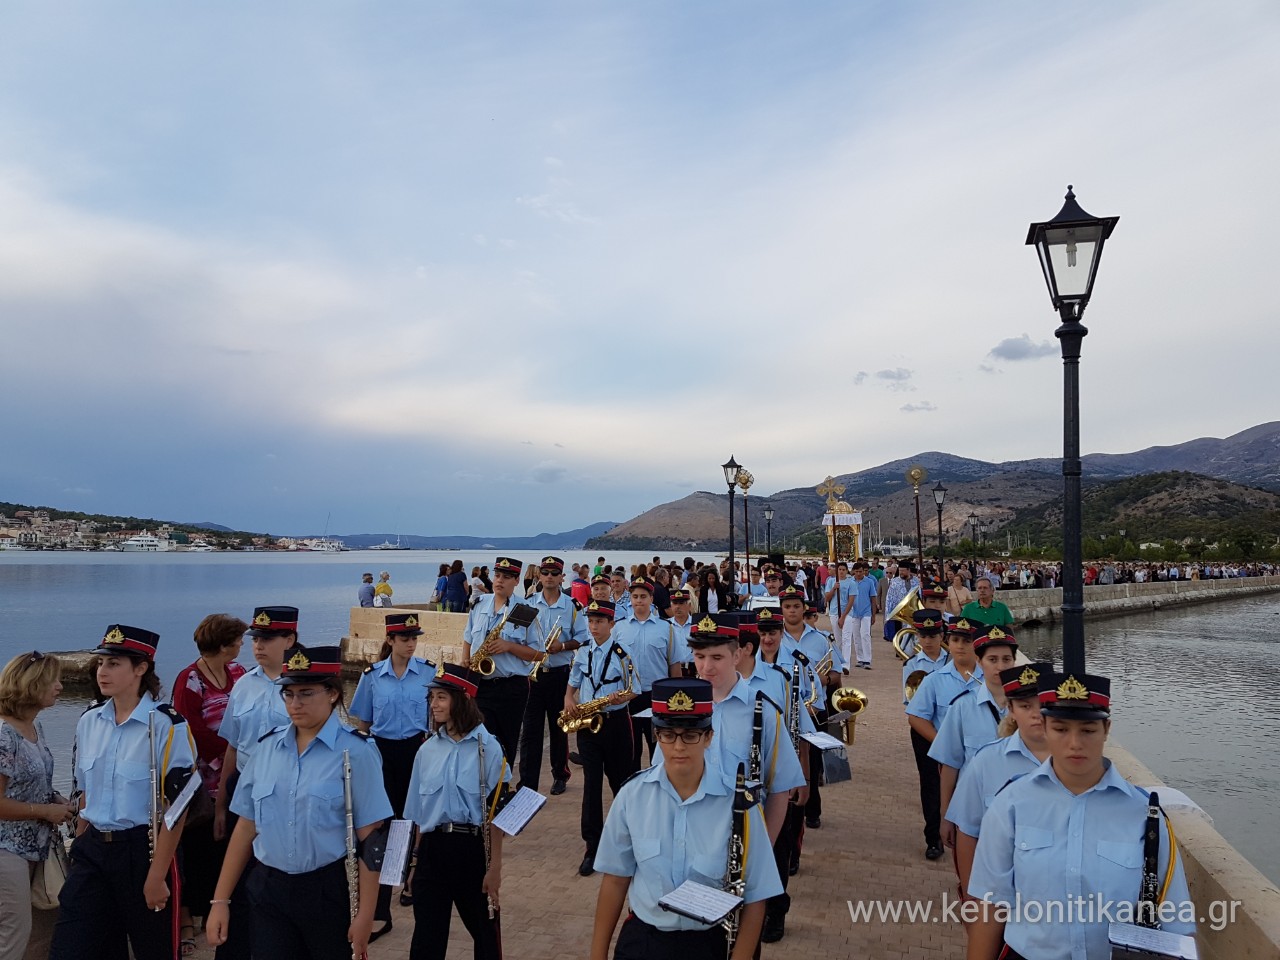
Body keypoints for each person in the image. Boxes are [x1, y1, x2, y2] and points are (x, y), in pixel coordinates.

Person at [967, 670, 1196, 960]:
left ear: (1106, 729)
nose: (1075, 743)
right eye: (1061, 729)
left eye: (1088, 730)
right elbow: (990, 906)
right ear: (1045, 726)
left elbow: (1176, 923)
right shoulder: (1011, 805)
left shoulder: (1145, 816)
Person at [206, 645, 392, 960]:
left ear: (332, 694)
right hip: (269, 889)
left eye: (306, 693)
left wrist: (365, 915)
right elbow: (246, 827)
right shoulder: (267, 748)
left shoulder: (357, 752)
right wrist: (220, 901)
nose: (295, 704)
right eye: (289, 694)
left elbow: (371, 841)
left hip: (326, 891)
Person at [590, 678, 783, 960]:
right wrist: (597, 955)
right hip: (645, 941)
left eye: (690, 735)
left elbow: (756, 898)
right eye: (668, 734)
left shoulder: (741, 804)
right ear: (657, 736)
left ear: (709, 737)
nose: (678, 746)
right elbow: (615, 880)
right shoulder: (632, 796)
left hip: (708, 943)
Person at [51, 625, 196, 960]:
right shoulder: (90, 721)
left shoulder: (167, 725)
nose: (102, 671)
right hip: (93, 850)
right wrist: (81, 842)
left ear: (140, 668)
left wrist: (157, 875)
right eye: (101, 663)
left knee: (154, 950)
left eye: (114, 664)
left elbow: (178, 806)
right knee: (70, 949)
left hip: (143, 851)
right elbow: (85, 791)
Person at [404, 662, 509, 960]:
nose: (433, 704)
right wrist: (414, 865)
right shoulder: (426, 750)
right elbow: (418, 815)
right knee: (426, 940)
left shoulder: (489, 748)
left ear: (462, 699)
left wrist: (495, 869)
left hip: (472, 849)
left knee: (486, 936)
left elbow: (496, 817)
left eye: (441, 697)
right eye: (432, 697)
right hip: (432, 851)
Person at [213, 605, 298, 960]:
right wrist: (221, 805)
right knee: (237, 880)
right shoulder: (244, 685)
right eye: (255, 639)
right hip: (243, 789)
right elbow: (233, 747)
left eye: (268, 638)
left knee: (273, 878)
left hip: (283, 794)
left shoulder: (302, 689)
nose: (258, 645)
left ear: (289, 640)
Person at [349, 612, 434, 935]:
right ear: (390, 640)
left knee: (413, 822)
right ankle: (381, 907)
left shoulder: (427, 673)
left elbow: (436, 718)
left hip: (416, 751)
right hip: (381, 755)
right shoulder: (372, 677)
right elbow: (363, 725)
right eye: (405, 639)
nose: (411, 644)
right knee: (381, 827)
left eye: (414, 639)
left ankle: (412, 879)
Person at [171, 614, 249, 956]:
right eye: (238, 640)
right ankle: (194, 917)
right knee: (199, 850)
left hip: (237, 777)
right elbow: (189, 729)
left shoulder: (239, 673)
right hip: (206, 779)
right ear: (224, 645)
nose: (243, 644)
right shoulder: (189, 679)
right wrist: (231, 750)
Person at [947, 662, 1052, 902]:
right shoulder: (986, 761)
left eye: (1044, 704)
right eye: (1025, 706)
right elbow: (968, 833)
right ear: (1010, 710)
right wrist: (972, 900)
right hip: (996, 896)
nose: (1036, 714)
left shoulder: (1072, 765)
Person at [744, 609, 814, 943]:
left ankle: (776, 910)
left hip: (774, 780)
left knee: (777, 849)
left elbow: (800, 732)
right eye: (762, 632)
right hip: (740, 783)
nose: (767, 638)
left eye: (772, 632)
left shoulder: (782, 679)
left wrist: (803, 777)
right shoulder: (726, 680)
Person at [0, 651, 75, 960]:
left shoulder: (34, 728)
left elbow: (29, 783)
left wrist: (55, 799)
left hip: (35, 849)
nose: (60, 687)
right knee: (13, 933)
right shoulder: (4, 735)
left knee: (32, 933)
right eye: (53, 681)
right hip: (6, 850)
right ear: (32, 685)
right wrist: (46, 812)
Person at [930, 628, 1018, 888]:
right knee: (972, 889)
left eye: (1006, 659)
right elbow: (950, 764)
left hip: (1017, 815)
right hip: (973, 814)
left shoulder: (1030, 711)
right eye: (992, 659)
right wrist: (946, 815)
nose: (1000, 666)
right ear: (979, 662)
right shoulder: (962, 706)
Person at [565, 600, 638, 876]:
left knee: (620, 784)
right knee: (591, 786)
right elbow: (573, 682)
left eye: (599, 622)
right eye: (591, 621)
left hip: (615, 723)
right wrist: (568, 699)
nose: (594, 627)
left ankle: (627, 839)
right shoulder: (583, 651)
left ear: (611, 624)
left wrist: (621, 697)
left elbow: (635, 688)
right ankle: (592, 847)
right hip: (588, 726)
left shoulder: (622, 653)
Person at [904, 617, 982, 860]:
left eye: (967, 641)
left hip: (979, 753)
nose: (960, 646)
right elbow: (916, 717)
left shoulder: (989, 680)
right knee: (934, 792)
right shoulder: (934, 680)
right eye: (956, 640)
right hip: (939, 748)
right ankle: (934, 838)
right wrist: (943, 743)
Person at [463, 557, 540, 767]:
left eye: (506, 577)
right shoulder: (479, 604)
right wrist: (465, 662)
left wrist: (509, 646)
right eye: (497, 576)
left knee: (506, 744)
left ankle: (502, 785)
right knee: (479, 744)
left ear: (516, 581)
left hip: (511, 687)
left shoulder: (525, 610)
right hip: (480, 684)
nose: (499, 581)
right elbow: (468, 637)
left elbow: (538, 654)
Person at [521, 556, 588, 796]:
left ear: (562, 577)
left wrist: (563, 646)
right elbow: (518, 636)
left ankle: (560, 775)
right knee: (530, 731)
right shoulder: (528, 604)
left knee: (559, 728)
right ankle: (526, 782)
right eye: (545, 572)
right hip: (533, 675)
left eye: (554, 573)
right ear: (539, 576)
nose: (549, 577)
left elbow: (582, 638)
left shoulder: (572, 606)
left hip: (559, 674)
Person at [612, 575, 684, 769]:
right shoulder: (619, 628)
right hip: (628, 697)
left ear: (651, 598)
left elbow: (674, 666)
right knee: (630, 750)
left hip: (656, 696)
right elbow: (612, 664)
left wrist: (676, 700)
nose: (639, 601)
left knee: (658, 749)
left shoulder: (666, 628)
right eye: (635, 596)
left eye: (643, 596)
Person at [900, 609, 950, 861]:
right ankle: (933, 838)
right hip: (924, 731)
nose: (928, 640)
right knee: (930, 785)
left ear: (942, 635)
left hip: (952, 729)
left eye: (933, 635)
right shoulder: (911, 665)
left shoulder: (953, 661)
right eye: (923, 635)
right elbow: (910, 704)